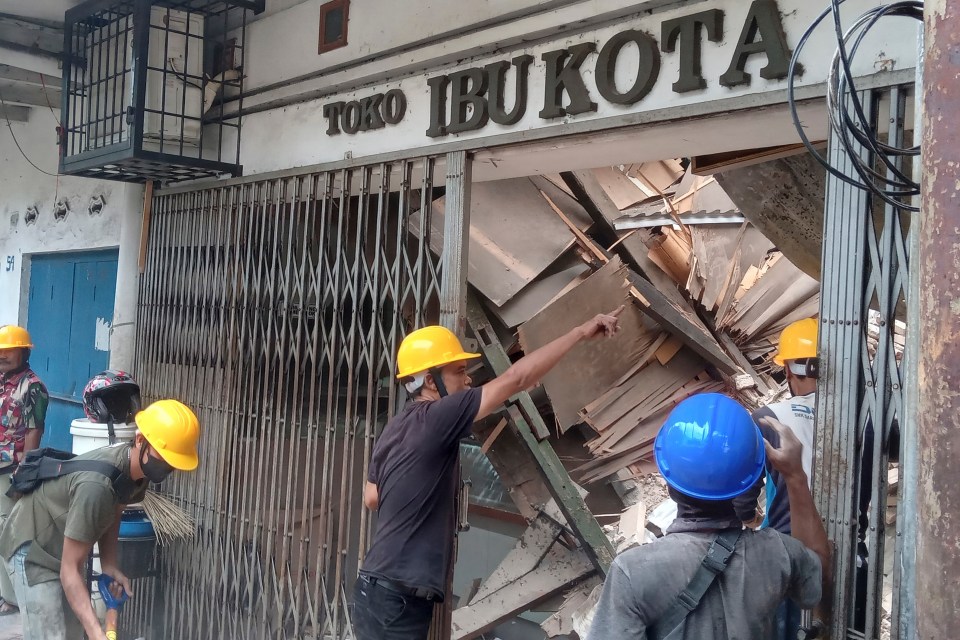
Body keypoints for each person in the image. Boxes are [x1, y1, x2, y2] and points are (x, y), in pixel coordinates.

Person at [353, 307, 624, 640]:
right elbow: (516, 379)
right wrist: (580, 331)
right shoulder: (438, 417)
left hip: (373, 588)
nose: (467, 380)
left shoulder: (397, 428)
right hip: (399, 600)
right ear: (429, 380)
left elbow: (371, 497)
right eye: (459, 370)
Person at [586, 393, 831, 640]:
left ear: (668, 479)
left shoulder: (632, 573)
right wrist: (795, 476)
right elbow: (818, 577)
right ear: (749, 479)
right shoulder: (777, 555)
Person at [0, 398, 200, 640]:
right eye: (164, 457)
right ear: (140, 440)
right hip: (31, 545)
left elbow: (113, 513)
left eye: (173, 462)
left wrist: (109, 565)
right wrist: (96, 632)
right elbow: (69, 570)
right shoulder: (97, 487)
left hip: (62, 544)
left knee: (72, 632)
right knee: (50, 633)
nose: (168, 467)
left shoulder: (136, 472)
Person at [0, 325, 49, 616]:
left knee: (9, 532)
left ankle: (13, 599)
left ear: (24, 351)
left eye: (9, 350)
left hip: (12, 471)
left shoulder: (32, 387)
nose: (3, 356)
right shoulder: (2, 381)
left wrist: (25, 475)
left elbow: (34, 432)